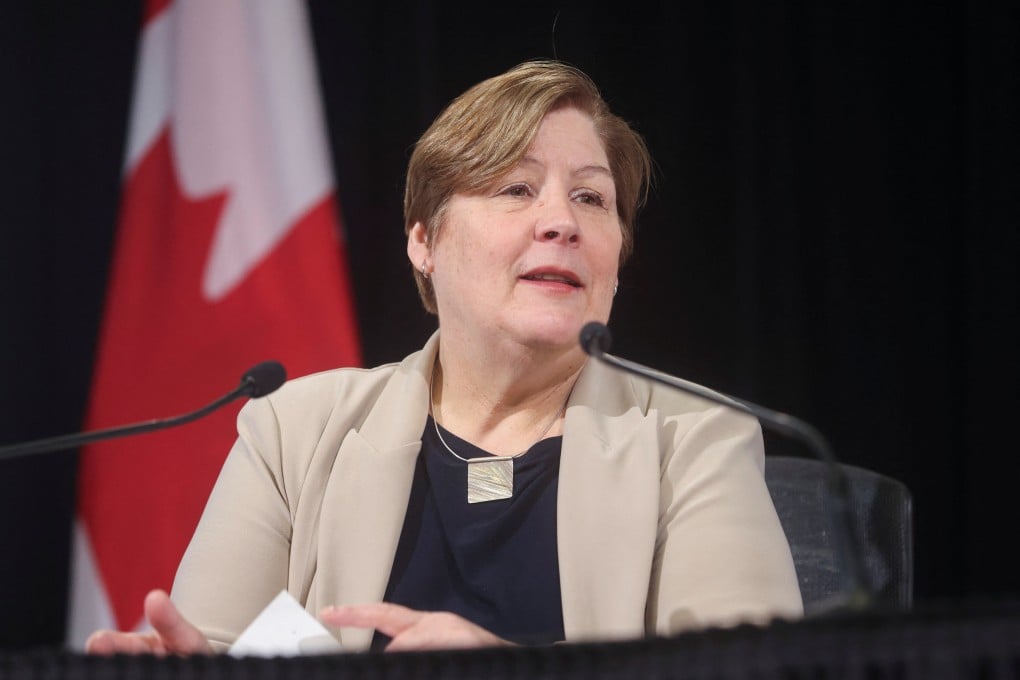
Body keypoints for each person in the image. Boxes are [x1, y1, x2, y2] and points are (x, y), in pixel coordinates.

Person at [85, 60, 802, 656]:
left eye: (592, 197)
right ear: (423, 242)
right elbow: (211, 645)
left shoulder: (695, 440)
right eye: (516, 188)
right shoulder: (292, 435)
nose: (562, 222)